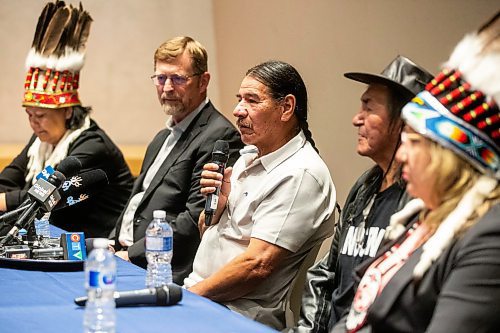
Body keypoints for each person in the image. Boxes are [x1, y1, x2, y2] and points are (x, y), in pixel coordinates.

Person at [332, 12, 500, 333]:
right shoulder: (418, 217)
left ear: (448, 155)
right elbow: (358, 313)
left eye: (411, 140)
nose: (402, 152)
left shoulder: (489, 237)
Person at [184, 60, 337, 330]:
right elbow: (207, 235)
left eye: (252, 101)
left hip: (236, 314)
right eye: (239, 99)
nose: (237, 110)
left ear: (286, 107)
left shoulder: (300, 174)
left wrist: (189, 298)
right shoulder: (247, 157)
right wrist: (216, 211)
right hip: (204, 297)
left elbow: (257, 265)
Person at [291, 56, 433, 333]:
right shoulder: (364, 187)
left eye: (369, 108)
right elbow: (326, 274)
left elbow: (402, 301)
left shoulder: (422, 200)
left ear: (405, 121)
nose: (357, 119)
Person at [111, 36, 243, 284]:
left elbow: (194, 219)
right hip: (124, 255)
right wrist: (111, 243)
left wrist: (130, 253)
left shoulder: (219, 136)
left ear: (203, 81)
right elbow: (136, 205)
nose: (168, 88)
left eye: (179, 79)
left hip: (162, 269)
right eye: (161, 78)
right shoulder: (162, 138)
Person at [0, 1, 133, 238]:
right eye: (29, 115)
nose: (33, 122)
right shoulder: (41, 140)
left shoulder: (93, 145)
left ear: (68, 111)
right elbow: (9, 178)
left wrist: (4, 200)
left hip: (96, 244)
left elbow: (50, 194)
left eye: (40, 115)